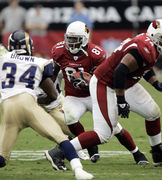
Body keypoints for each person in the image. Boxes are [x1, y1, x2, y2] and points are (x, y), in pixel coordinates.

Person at [44, 21, 149, 169]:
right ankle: (91, 148)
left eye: (75, 39)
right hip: (73, 96)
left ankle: (136, 152)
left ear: (85, 38)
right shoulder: (59, 50)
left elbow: (105, 75)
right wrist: (52, 90)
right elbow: (54, 72)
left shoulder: (96, 54)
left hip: (95, 95)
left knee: (115, 127)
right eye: (69, 38)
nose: (71, 42)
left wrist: (88, 79)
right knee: (70, 117)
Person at [66, 19, 162, 167]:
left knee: (153, 112)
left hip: (126, 83)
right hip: (110, 84)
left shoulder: (149, 46)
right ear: (155, 35)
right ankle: (61, 151)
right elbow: (120, 71)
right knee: (104, 133)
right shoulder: (145, 46)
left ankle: (158, 154)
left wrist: (155, 83)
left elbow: (143, 65)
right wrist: (121, 100)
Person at [0, 30, 94, 180]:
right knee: (62, 139)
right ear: (29, 46)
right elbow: (52, 95)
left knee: (2, 158)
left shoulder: (3, 58)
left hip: (7, 107)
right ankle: (79, 171)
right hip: (28, 103)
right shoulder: (40, 63)